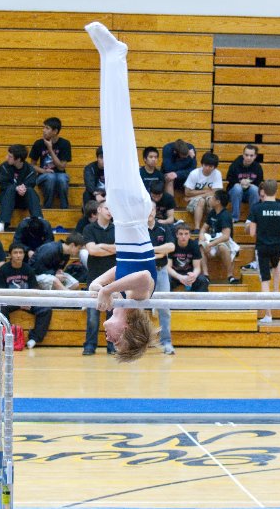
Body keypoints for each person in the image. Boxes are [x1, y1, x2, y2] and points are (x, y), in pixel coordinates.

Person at [85, 21, 159, 362]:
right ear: (128, 331)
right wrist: (108, 292)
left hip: (123, 212)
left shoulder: (126, 292)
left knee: (109, 130)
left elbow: (123, 268)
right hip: (131, 209)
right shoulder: (141, 297)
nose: (109, 339)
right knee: (119, 132)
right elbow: (143, 273)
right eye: (116, 343)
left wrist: (99, 284)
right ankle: (116, 56)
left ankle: (108, 57)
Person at [0, 242, 53, 350]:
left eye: (21, 252)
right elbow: (0, 292)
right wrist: (19, 304)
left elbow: (34, 289)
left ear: (24, 255)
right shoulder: (3, 269)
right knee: (0, 308)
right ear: (10, 255)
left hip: (26, 301)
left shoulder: (28, 269)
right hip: (9, 301)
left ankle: (34, 339)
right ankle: (8, 337)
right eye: (15, 252)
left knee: (46, 309)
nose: (18, 255)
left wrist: (28, 301)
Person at [247, 180, 280, 323]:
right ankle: (276, 291)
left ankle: (268, 315)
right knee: (276, 265)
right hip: (278, 247)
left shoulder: (256, 208)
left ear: (263, 192)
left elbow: (252, 233)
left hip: (262, 248)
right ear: (276, 191)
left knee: (265, 281)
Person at [81, 199, 117, 356]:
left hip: (114, 279)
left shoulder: (118, 228)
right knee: (93, 316)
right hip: (94, 278)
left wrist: (100, 246)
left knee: (113, 314)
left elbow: (119, 249)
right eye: (107, 208)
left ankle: (112, 346)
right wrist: (111, 249)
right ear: (100, 210)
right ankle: (89, 345)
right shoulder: (89, 228)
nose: (110, 211)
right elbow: (92, 250)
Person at [147, 202, 176, 354]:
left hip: (161, 271)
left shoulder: (164, 228)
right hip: (143, 273)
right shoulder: (138, 229)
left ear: (155, 210)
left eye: (151, 208)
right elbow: (139, 251)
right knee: (134, 307)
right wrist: (159, 252)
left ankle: (166, 342)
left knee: (164, 308)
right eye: (146, 208)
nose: (149, 211)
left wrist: (151, 250)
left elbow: (171, 247)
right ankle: (136, 342)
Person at [0, 144, 42, 233]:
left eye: (10, 156)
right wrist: (16, 188)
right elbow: (3, 185)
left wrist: (23, 188)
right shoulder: (3, 167)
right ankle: (2, 223)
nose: (7, 157)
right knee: (11, 188)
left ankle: (39, 221)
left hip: (23, 200)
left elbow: (31, 184)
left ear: (18, 159)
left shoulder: (30, 170)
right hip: (7, 199)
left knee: (30, 190)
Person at [200, 189, 240, 285]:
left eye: (213, 197)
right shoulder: (213, 212)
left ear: (218, 202)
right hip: (212, 240)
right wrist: (202, 236)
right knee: (200, 245)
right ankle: (205, 275)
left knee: (222, 247)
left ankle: (230, 276)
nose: (210, 199)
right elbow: (204, 228)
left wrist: (210, 244)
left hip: (223, 242)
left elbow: (226, 236)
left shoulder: (225, 215)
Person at [30, 116, 71, 209]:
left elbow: (61, 167)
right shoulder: (38, 143)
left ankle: (64, 208)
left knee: (62, 179)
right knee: (50, 177)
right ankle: (47, 206)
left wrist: (50, 149)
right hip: (43, 175)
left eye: (47, 128)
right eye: (44, 127)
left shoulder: (65, 144)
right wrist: (44, 171)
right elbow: (32, 165)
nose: (43, 130)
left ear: (55, 131)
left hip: (60, 174)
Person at [184, 152, 224, 233]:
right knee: (201, 201)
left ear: (215, 167)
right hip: (196, 202)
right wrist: (206, 191)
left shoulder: (217, 173)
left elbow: (216, 192)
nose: (207, 168)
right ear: (202, 164)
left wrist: (193, 196)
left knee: (212, 200)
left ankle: (212, 228)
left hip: (204, 198)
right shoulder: (194, 173)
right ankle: (197, 228)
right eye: (205, 165)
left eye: (210, 166)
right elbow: (187, 192)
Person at [225, 144, 263, 222]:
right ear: (243, 155)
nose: (248, 158)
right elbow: (229, 178)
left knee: (255, 189)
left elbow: (259, 181)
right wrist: (239, 182)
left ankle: (253, 218)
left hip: (249, 193)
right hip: (235, 192)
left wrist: (249, 184)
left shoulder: (258, 167)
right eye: (246, 155)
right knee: (237, 188)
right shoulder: (235, 164)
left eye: (251, 155)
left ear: (255, 156)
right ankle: (235, 217)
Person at [167, 223, 210, 292]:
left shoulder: (194, 245)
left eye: (186, 234)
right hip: (175, 275)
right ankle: (166, 302)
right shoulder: (172, 245)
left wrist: (194, 275)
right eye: (181, 234)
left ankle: (200, 303)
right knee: (165, 279)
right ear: (176, 235)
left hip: (189, 274)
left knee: (203, 280)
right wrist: (179, 277)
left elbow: (197, 267)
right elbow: (168, 267)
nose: (183, 236)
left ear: (190, 235)